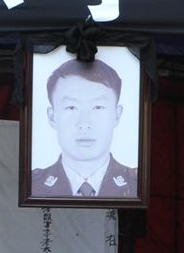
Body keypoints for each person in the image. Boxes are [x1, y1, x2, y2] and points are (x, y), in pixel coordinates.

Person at [28, 57, 138, 200]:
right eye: (71, 107)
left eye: (98, 107)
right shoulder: (32, 185)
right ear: (52, 116)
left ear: (117, 115)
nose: (84, 123)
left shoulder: (137, 185)